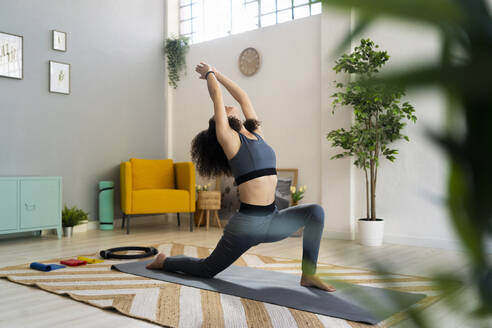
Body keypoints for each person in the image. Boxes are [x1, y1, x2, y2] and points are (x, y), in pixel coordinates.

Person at [147, 62, 335, 292]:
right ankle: (164, 261)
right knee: (208, 269)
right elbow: (216, 95)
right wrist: (208, 75)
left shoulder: (257, 133)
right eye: (223, 111)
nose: (228, 106)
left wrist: (217, 72)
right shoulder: (230, 140)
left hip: (273, 219)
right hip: (247, 226)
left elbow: (242, 96)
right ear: (220, 124)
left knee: (315, 211)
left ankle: (308, 274)